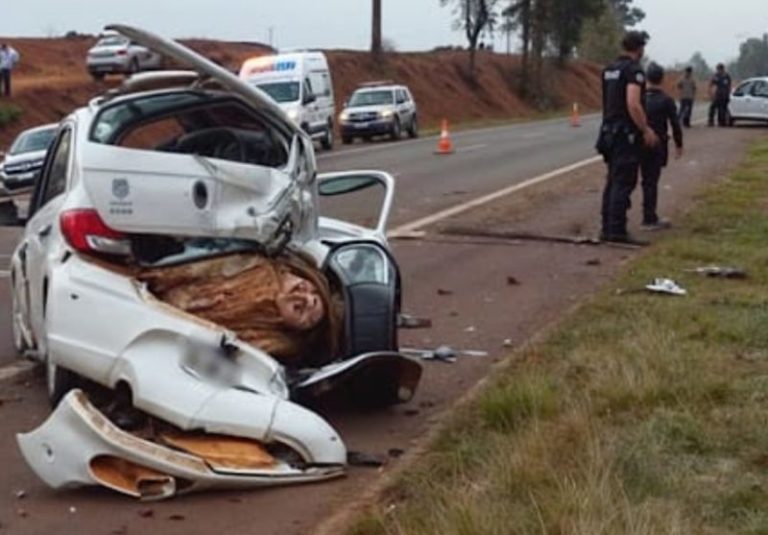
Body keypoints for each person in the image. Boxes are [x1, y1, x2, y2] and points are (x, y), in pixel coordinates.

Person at [138, 251, 341, 367]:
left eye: (307, 313)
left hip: (147, 335)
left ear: (297, 330)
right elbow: (189, 265)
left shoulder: (267, 342)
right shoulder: (253, 264)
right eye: (308, 288)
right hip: (140, 284)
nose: (305, 298)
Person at [595, 30, 659, 245]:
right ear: (639, 48)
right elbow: (633, 103)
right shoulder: (634, 71)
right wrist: (646, 129)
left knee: (612, 181)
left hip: (608, 132)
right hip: (625, 135)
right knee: (623, 182)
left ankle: (607, 227)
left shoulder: (609, 70)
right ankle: (617, 231)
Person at [641, 63, 683, 230]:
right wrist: (679, 145)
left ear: (646, 78)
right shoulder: (666, 100)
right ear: (662, 79)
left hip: (637, 143)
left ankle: (616, 219)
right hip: (657, 144)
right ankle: (649, 217)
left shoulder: (639, 99)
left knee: (631, 181)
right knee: (650, 181)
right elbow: (675, 124)